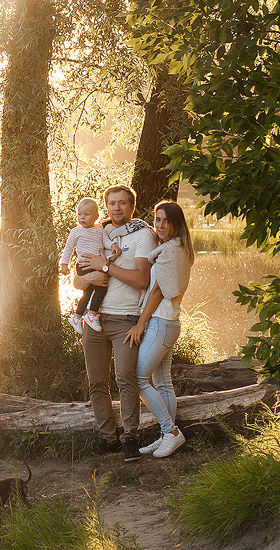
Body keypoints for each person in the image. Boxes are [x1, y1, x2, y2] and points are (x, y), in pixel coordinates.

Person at [75, 185, 156, 461]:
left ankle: (130, 438)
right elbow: (77, 280)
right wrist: (89, 278)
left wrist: (107, 267)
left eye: (123, 203)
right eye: (112, 204)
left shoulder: (144, 235)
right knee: (97, 382)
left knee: (126, 379)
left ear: (132, 207)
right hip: (94, 321)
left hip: (125, 319)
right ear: (105, 207)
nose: (117, 208)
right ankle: (107, 437)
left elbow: (143, 280)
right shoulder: (97, 233)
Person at [125, 201, 195, 459]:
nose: (161, 225)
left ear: (176, 224)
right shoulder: (173, 248)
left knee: (138, 378)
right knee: (162, 382)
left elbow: (156, 291)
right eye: (157, 220)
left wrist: (140, 324)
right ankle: (166, 435)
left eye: (166, 221)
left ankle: (171, 432)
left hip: (160, 323)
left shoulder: (171, 252)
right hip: (169, 322)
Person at [59, 197, 117, 333]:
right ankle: (92, 314)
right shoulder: (76, 232)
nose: (82, 217)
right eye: (79, 214)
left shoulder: (99, 229)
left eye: (86, 214)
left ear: (96, 217)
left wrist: (113, 245)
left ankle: (77, 316)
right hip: (84, 265)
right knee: (101, 288)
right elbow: (68, 249)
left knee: (88, 292)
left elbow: (106, 241)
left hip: (96, 264)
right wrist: (64, 265)